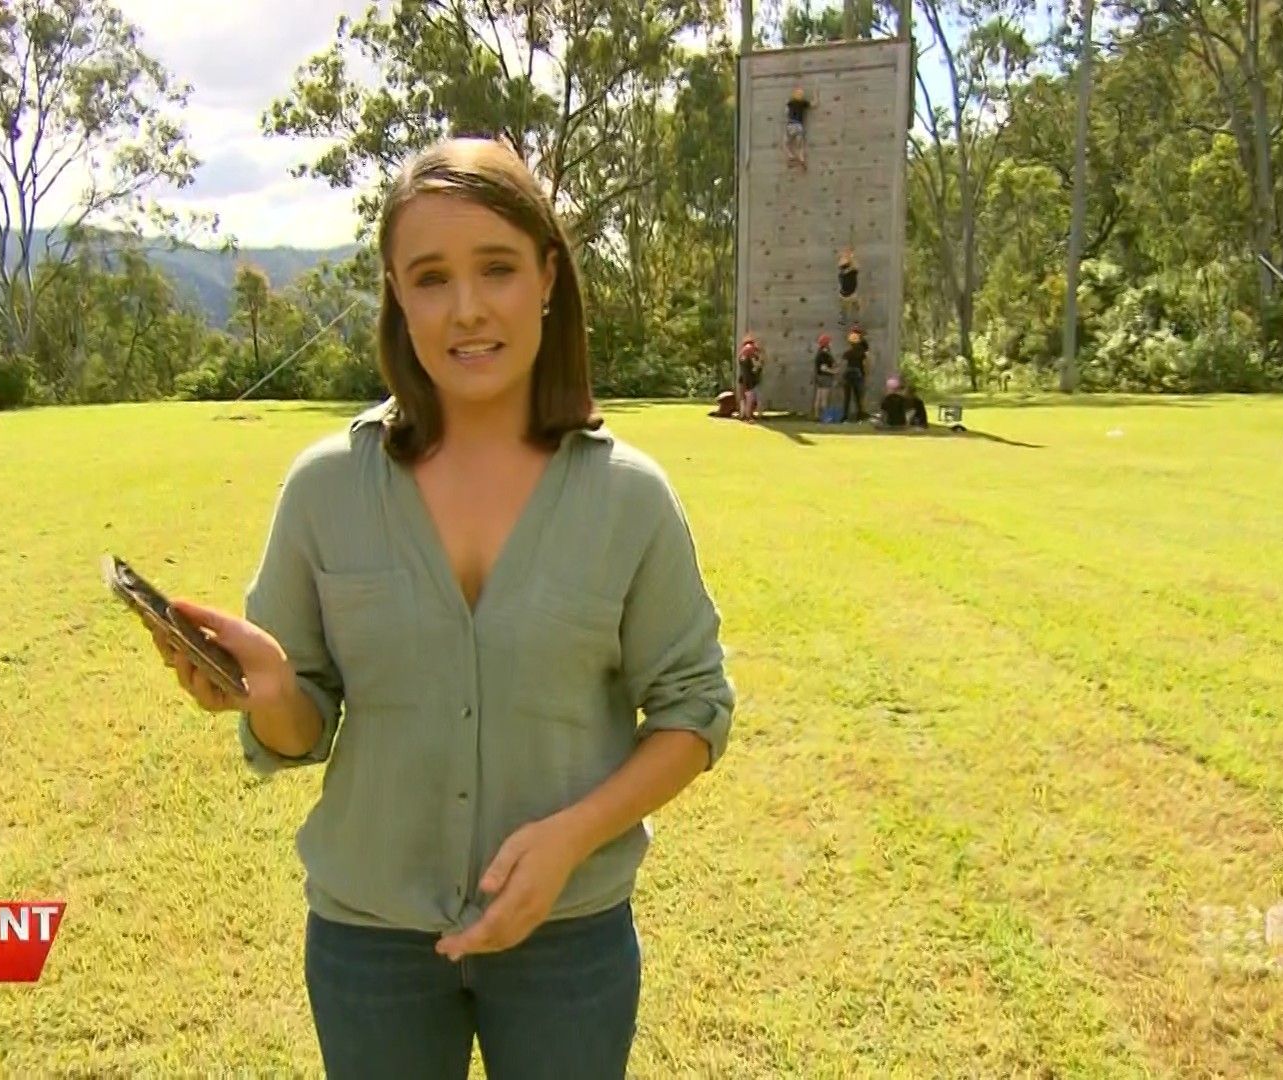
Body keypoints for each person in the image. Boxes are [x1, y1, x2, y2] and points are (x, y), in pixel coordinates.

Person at [140, 137, 736, 1080]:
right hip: (369, 947)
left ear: (547, 276)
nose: (466, 308)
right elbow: (301, 730)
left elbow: (695, 710)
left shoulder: (630, 498)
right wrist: (275, 693)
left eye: (497, 268)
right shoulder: (325, 490)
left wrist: (571, 838)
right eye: (430, 278)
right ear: (396, 293)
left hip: (568, 941)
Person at [841, 326, 869, 423]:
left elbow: (843, 364)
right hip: (858, 373)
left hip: (848, 373)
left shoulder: (847, 352)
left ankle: (845, 417)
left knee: (847, 397)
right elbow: (865, 363)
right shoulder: (862, 351)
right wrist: (866, 373)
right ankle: (859, 417)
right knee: (858, 396)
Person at [736, 333, 763, 422]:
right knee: (750, 397)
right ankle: (748, 416)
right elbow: (755, 366)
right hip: (749, 378)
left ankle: (742, 414)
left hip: (742, 377)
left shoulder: (743, 350)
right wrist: (759, 364)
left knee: (743, 397)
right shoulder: (752, 350)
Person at [811, 333, 836, 420]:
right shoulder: (824, 354)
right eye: (829, 342)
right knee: (824, 399)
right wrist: (833, 371)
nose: (831, 343)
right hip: (825, 377)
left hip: (819, 377)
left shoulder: (820, 352)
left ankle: (817, 416)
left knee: (818, 397)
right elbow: (823, 368)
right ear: (826, 343)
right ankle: (825, 417)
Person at [785, 87, 810, 169]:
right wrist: (816, 95)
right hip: (799, 126)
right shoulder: (803, 103)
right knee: (800, 146)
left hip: (791, 124)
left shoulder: (790, 102)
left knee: (787, 143)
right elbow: (814, 104)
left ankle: (790, 155)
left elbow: (786, 112)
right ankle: (801, 159)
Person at [836, 248, 860, 324]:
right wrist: (851, 257)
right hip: (849, 293)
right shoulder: (851, 272)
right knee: (853, 306)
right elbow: (855, 266)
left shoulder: (843, 273)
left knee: (845, 308)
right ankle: (853, 319)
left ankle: (845, 319)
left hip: (845, 293)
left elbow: (853, 266)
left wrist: (848, 256)